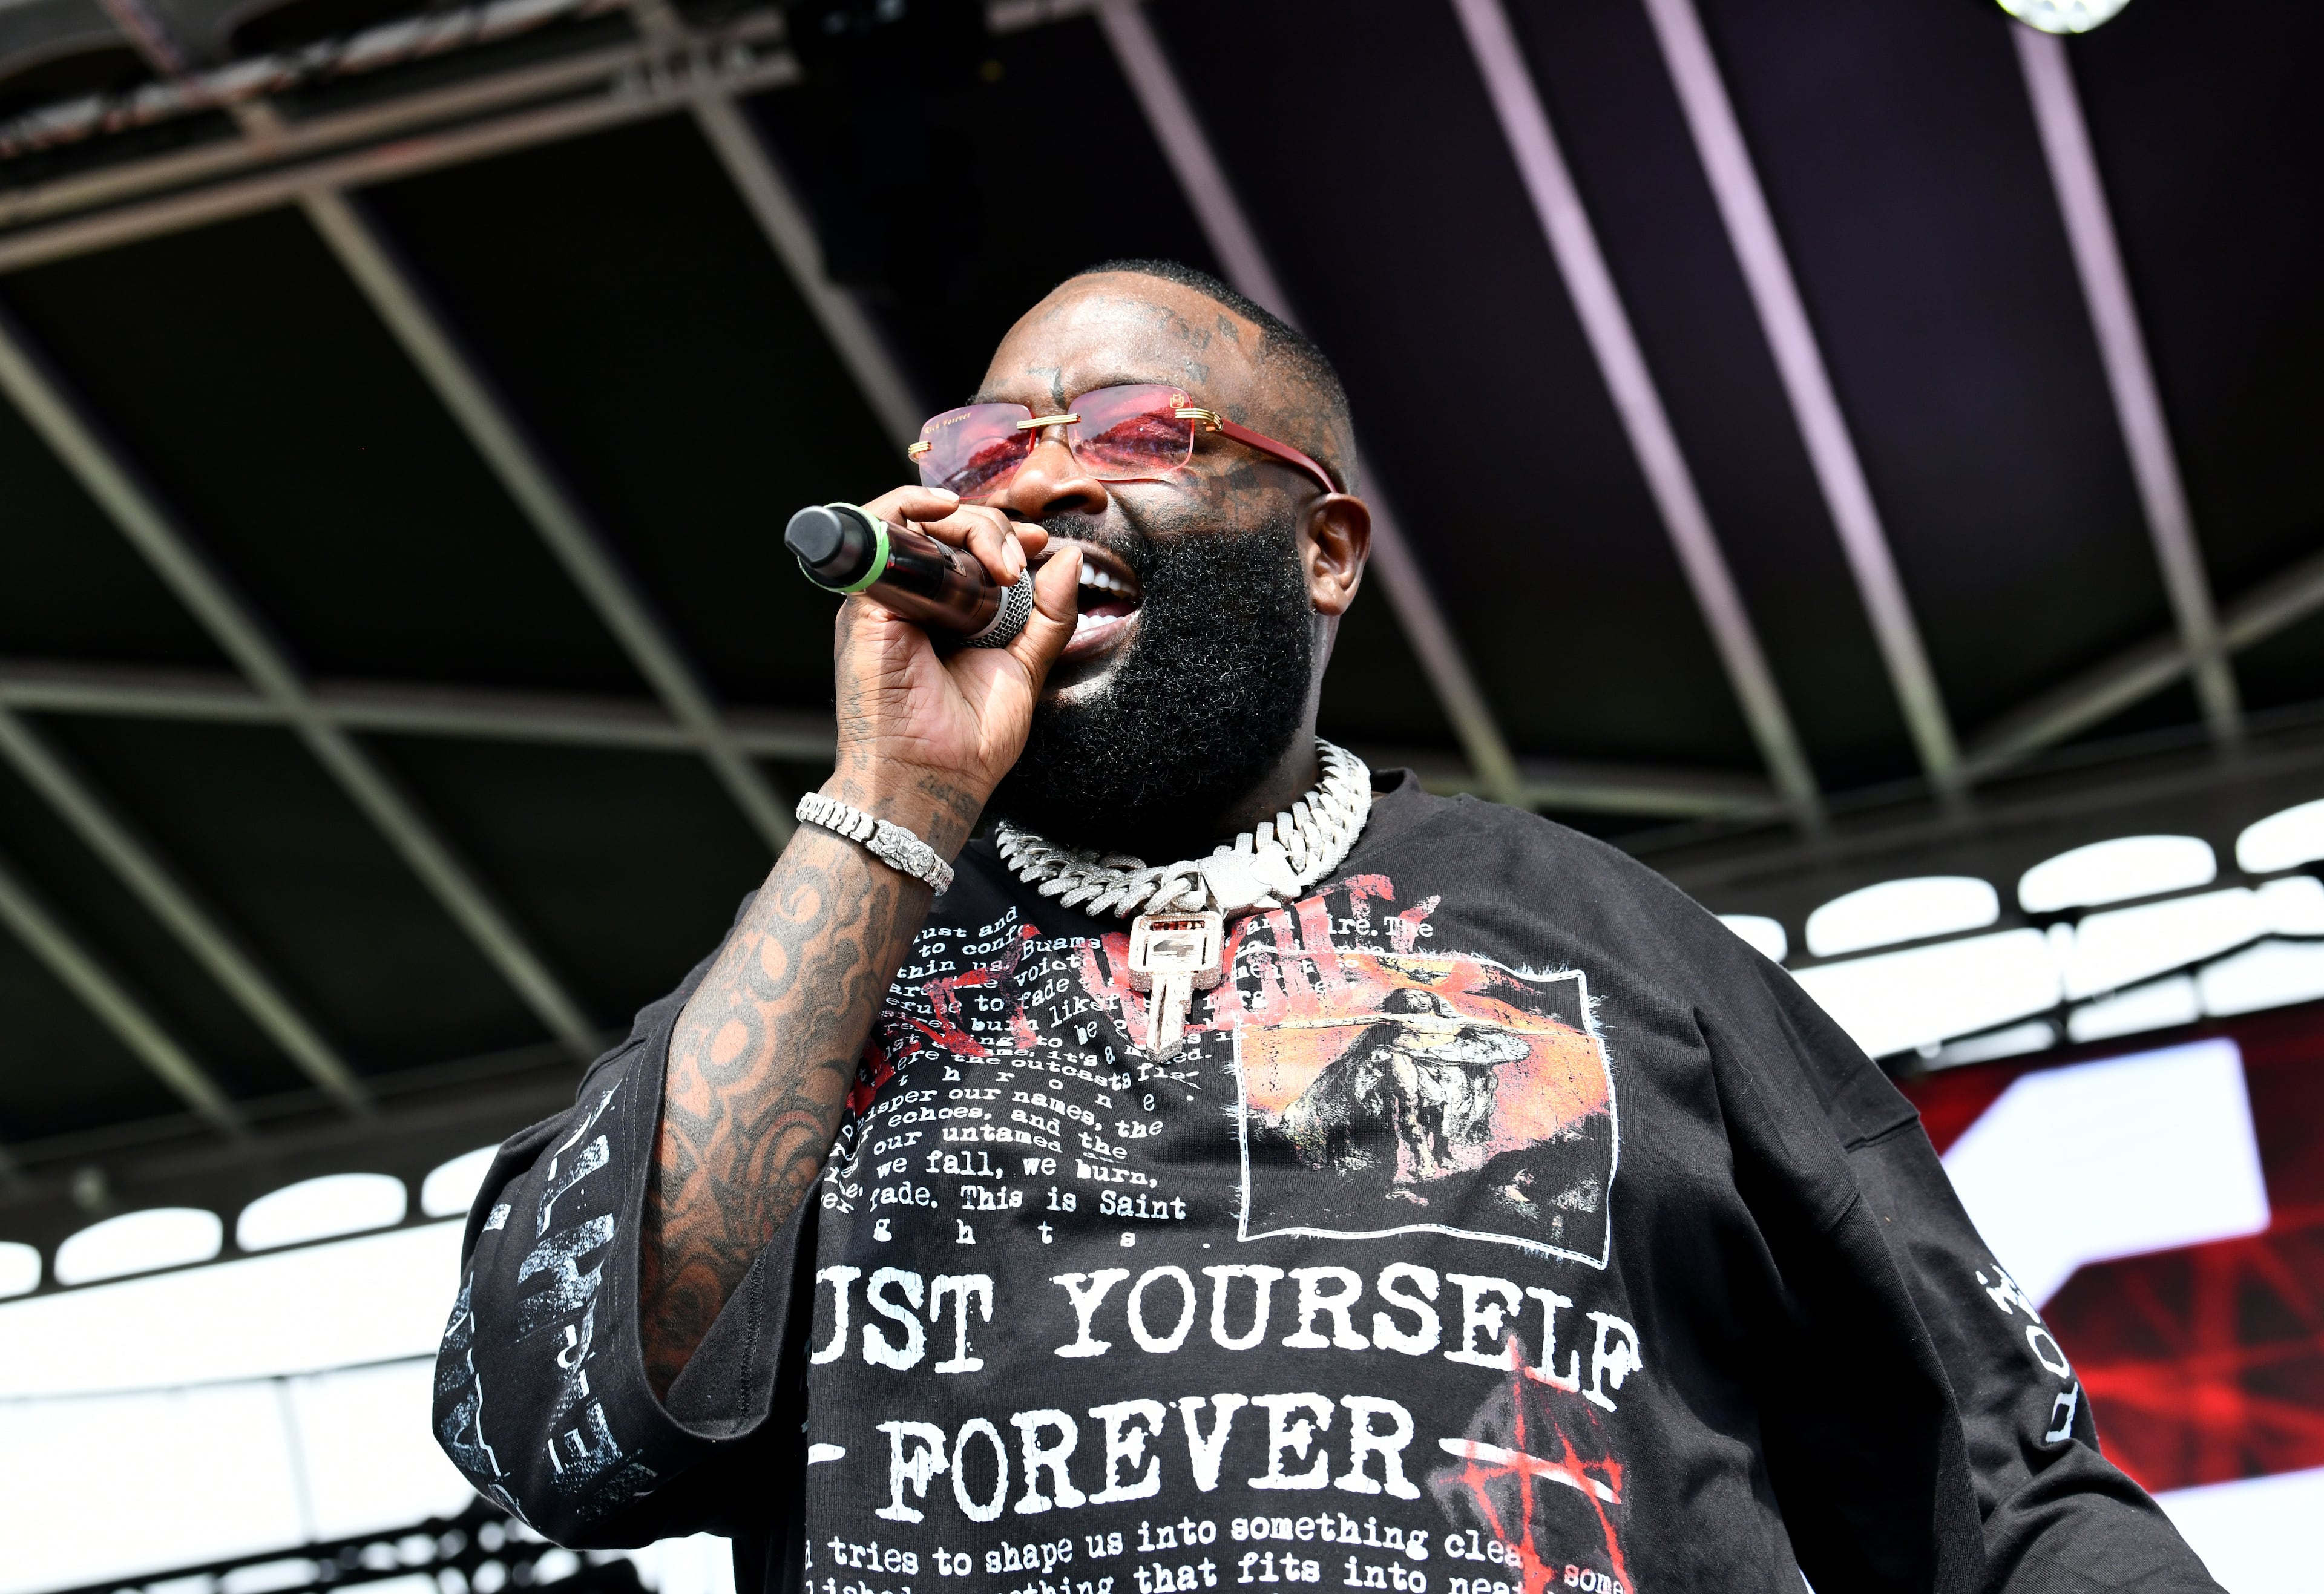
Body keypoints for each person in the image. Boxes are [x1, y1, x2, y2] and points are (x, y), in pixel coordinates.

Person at [433, 260, 2220, 1594]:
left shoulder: (1627, 957)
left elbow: (2015, 1511)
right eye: (992, 447)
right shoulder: (839, 959)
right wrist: (891, 804)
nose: (1040, 489)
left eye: (1134, 433)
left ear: (1326, 548)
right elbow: (556, 1427)